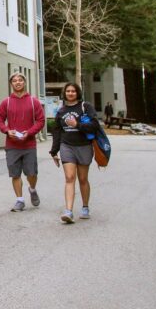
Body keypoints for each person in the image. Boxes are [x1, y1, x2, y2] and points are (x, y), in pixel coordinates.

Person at [0, 73, 46, 212]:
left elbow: (41, 120)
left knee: (31, 174)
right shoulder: (7, 102)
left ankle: (32, 189)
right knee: (15, 174)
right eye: (14, 81)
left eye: (20, 80)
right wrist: (6, 130)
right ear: (11, 84)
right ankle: (20, 200)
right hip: (12, 145)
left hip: (29, 144)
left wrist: (29, 132)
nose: (17, 83)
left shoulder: (33, 101)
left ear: (25, 82)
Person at [50, 83, 96, 223]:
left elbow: (94, 125)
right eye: (68, 91)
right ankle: (68, 211)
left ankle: (85, 207)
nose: (70, 93)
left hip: (84, 146)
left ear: (77, 93)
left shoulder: (85, 107)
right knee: (70, 178)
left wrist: (77, 125)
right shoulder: (61, 110)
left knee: (82, 178)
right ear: (65, 93)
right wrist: (54, 151)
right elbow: (57, 132)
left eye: (73, 91)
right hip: (67, 146)